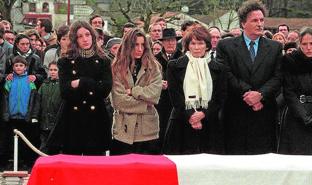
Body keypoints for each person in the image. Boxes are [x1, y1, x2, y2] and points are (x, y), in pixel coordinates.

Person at [217, 0, 282, 154]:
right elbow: (226, 74)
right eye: (254, 20)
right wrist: (248, 94)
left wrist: (260, 95)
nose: (260, 24)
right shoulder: (226, 46)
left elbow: (278, 77)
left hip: (264, 114)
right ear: (243, 23)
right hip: (235, 113)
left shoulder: (275, 47)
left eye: (262, 20)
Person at [51, 20, 113, 155]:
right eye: (80, 36)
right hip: (73, 119)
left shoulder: (103, 60)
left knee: (95, 167)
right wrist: (94, 85)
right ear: (74, 39)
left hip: (96, 118)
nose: (85, 39)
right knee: (72, 165)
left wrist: (81, 82)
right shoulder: (65, 61)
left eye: (87, 34)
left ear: (93, 36)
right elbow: (65, 92)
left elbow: (105, 90)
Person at [164, 26, 227, 154]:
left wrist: (203, 113)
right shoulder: (174, 66)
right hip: (181, 123)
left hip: (210, 124)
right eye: (193, 43)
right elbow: (176, 97)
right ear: (187, 45)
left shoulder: (220, 68)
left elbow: (220, 97)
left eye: (200, 43)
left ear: (207, 45)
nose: (197, 47)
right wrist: (192, 116)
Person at [110, 29, 162, 155]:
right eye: (135, 45)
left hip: (148, 132)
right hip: (123, 132)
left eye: (142, 45)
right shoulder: (117, 68)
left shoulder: (154, 67)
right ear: (128, 46)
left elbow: (154, 95)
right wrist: (145, 104)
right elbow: (119, 101)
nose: (139, 49)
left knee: (147, 173)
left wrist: (133, 91)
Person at [2, 56, 39, 167]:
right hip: (12, 116)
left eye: (21, 65)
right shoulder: (9, 80)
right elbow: (5, 98)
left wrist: (32, 114)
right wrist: (6, 113)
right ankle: (13, 161)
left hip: (25, 116)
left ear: (25, 67)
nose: (19, 67)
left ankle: (24, 162)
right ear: (13, 67)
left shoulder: (29, 80)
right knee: (11, 141)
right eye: (16, 65)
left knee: (25, 141)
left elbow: (34, 98)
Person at [38, 61, 62, 154]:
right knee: (44, 147)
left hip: (58, 122)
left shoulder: (62, 85)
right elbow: (38, 101)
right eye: (51, 70)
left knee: (58, 147)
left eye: (55, 70)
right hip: (45, 121)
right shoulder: (44, 85)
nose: (52, 72)